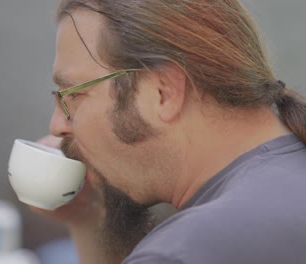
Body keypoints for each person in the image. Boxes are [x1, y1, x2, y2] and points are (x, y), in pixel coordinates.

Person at [32, 0, 306, 263]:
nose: (57, 126)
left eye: (74, 96)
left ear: (164, 93)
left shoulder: (180, 252)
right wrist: (88, 220)